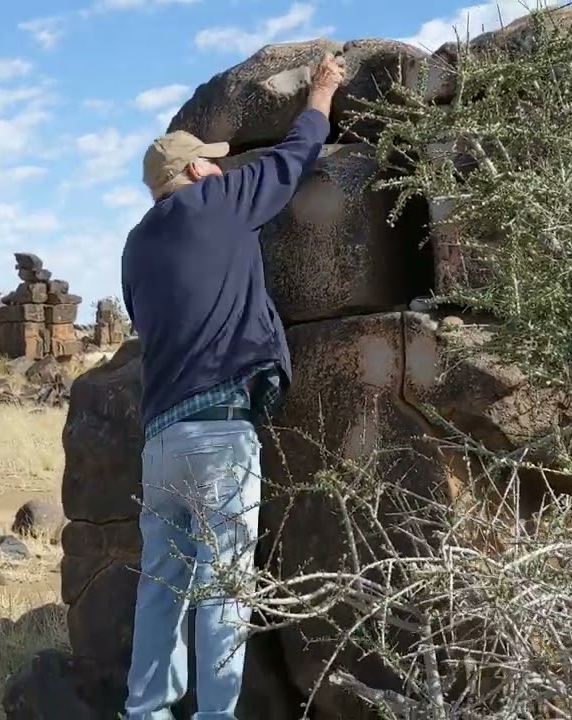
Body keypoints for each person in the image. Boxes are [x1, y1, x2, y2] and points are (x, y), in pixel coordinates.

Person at [119, 53, 346, 720]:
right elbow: (295, 156)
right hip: (219, 431)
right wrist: (323, 91)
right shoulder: (216, 202)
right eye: (212, 163)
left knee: (161, 587)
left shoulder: (135, 247)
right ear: (194, 171)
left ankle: (146, 712)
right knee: (224, 586)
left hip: (161, 440)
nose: (222, 168)